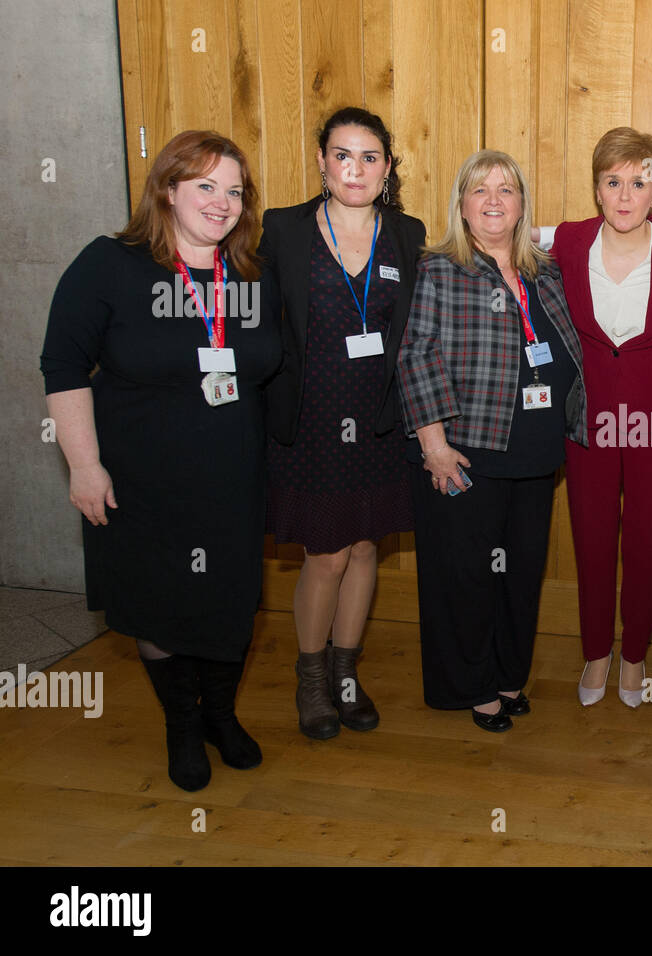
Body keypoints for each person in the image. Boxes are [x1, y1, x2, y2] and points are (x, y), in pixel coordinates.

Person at [40, 130, 281, 791]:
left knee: (231, 611)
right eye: (205, 186)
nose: (221, 202)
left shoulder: (251, 274)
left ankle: (221, 716)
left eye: (234, 191)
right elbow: (62, 363)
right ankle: (182, 723)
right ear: (167, 189)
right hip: (144, 487)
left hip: (233, 484)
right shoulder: (111, 265)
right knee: (162, 612)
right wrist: (83, 466)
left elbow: (272, 372)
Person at [398, 150, 587, 733]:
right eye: (481, 191)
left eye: (506, 190)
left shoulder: (544, 271)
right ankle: (473, 686)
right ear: (461, 205)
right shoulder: (440, 268)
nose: (494, 201)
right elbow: (416, 355)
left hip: (533, 452)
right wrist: (432, 444)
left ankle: (508, 675)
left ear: (522, 204)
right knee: (466, 575)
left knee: (520, 572)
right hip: (466, 451)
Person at [260, 107, 427, 739]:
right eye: (341, 154)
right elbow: (254, 323)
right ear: (322, 161)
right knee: (325, 553)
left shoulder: (409, 236)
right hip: (311, 422)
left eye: (369, 157)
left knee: (364, 549)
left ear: (388, 167)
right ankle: (311, 680)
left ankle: (346, 676)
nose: (354, 168)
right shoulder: (283, 231)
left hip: (382, 421)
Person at [544, 128, 652, 707]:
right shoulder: (567, 241)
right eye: (614, 182)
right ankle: (595, 653)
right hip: (588, 417)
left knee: (649, 536)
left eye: (639, 181)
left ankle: (633, 656)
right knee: (591, 534)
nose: (626, 194)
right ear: (597, 190)